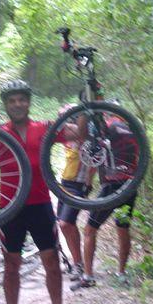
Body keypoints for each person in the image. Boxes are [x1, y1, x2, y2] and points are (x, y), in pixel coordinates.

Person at [0, 79, 84, 304]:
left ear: (29, 102)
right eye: (12, 101)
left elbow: (78, 133)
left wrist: (88, 106)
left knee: (51, 260)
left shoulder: (44, 128)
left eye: (22, 99)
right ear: (6, 105)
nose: (17, 104)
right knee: (11, 263)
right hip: (10, 208)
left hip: (40, 204)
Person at [70, 104, 139, 290]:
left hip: (112, 184)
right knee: (123, 228)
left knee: (90, 229)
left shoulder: (106, 127)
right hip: (131, 185)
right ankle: (122, 273)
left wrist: (88, 181)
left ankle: (88, 275)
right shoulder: (133, 128)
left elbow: (94, 154)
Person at [55, 104, 95, 282]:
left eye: (68, 117)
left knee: (65, 223)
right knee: (65, 225)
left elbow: (94, 162)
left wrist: (88, 183)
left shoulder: (86, 136)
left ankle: (79, 265)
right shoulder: (67, 136)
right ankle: (77, 263)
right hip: (65, 183)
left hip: (78, 185)